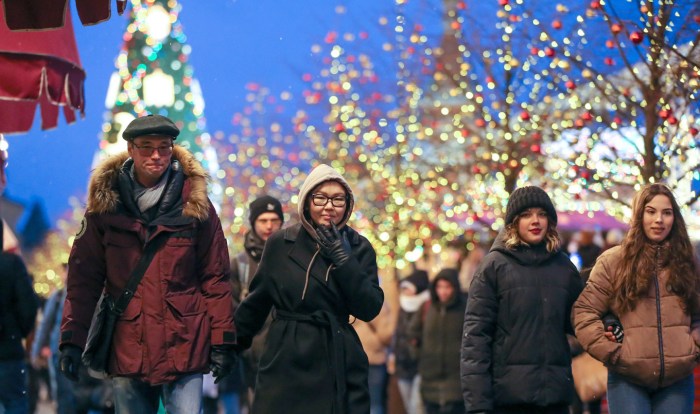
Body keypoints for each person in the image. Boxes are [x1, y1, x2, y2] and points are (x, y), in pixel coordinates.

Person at [58, 114, 237, 414]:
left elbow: (215, 277)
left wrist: (223, 341)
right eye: (146, 147)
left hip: (184, 341)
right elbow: (83, 280)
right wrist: (71, 341)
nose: (156, 155)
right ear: (130, 149)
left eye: (164, 147)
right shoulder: (104, 208)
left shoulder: (196, 204)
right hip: (130, 344)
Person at [234, 163, 384, 413]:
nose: (329, 206)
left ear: (348, 204)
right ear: (306, 201)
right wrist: (228, 347)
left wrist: (343, 260)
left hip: (336, 353)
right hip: (285, 354)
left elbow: (369, 307)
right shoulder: (281, 243)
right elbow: (257, 301)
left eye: (338, 199)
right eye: (320, 198)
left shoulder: (359, 247)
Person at [573, 183, 700, 414]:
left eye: (666, 212)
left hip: (677, 382)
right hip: (627, 380)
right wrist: (612, 353)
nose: (658, 219)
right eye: (651, 211)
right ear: (639, 214)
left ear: (675, 218)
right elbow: (584, 312)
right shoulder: (614, 262)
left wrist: (694, 347)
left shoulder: (686, 262)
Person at [461, 185, 583, 414]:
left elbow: (583, 318)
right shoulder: (494, 267)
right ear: (514, 222)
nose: (535, 220)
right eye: (526, 215)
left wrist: (609, 324)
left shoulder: (564, 268)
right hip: (508, 401)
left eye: (541, 214)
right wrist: (478, 407)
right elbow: (475, 340)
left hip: (554, 399)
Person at [221, 194, 285, 413]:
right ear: (253, 222)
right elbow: (231, 311)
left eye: (274, 220)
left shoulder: (292, 257)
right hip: (253, 358)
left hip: (288, 354)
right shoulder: (239, 264)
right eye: (263, 220)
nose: (269, 226)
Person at [411, 268, 466, 414]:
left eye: (447, 287)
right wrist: (419, 356)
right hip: (430, 382)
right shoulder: (427, 308)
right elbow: (412, 334)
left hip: (457, 384)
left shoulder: (465, 308)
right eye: (439, 287)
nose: (443, 291)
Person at [0, 244, 39, 414]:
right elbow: (28, 304)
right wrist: (19, 332)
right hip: (8, 347)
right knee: (15, 402)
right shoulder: (12, 263)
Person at [391, 269, 430, 414]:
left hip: (420, 366)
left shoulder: (427, 307)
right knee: (409, 407)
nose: (405, 292)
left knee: (417, 408)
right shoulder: (403, 306)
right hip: (402, 365)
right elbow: (398, 332)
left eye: (408, 288)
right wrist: (393, 354)